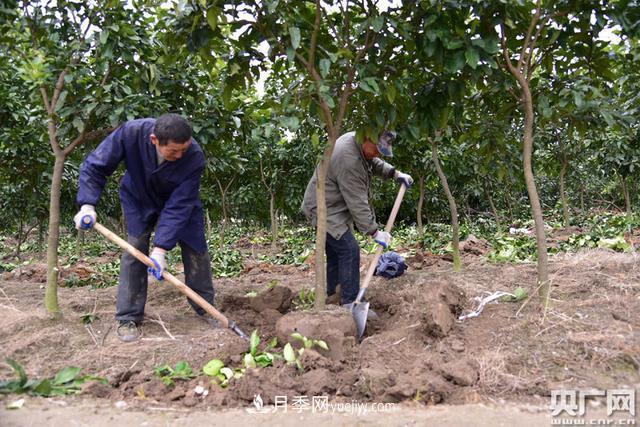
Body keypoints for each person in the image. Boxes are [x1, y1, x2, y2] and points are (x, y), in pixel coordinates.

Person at [73, 113, 215, 342]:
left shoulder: (194, 156)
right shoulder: (130, 133)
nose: (180, 155)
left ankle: (206, 309)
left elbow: (179, 206)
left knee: (196, 249)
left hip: (180, 201)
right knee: (135, 249)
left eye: (184, 149)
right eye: (174, 151)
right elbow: (95, 166)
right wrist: (87, 205)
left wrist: (160, 251)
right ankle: (128, 317)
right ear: (154, 140)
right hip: (139, 198)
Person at [302, 130, 413, 308]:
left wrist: (394, 173)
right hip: (323, 209)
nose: (377, 154)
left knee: (336, 252)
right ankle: (350, 302)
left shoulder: (358, 142)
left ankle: (333, 294)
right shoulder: (348, 159)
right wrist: (374, 232)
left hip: (331, 204)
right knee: (349, 250)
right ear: (367, 138)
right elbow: (357, 202)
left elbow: (371, 160)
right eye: (377, 149)